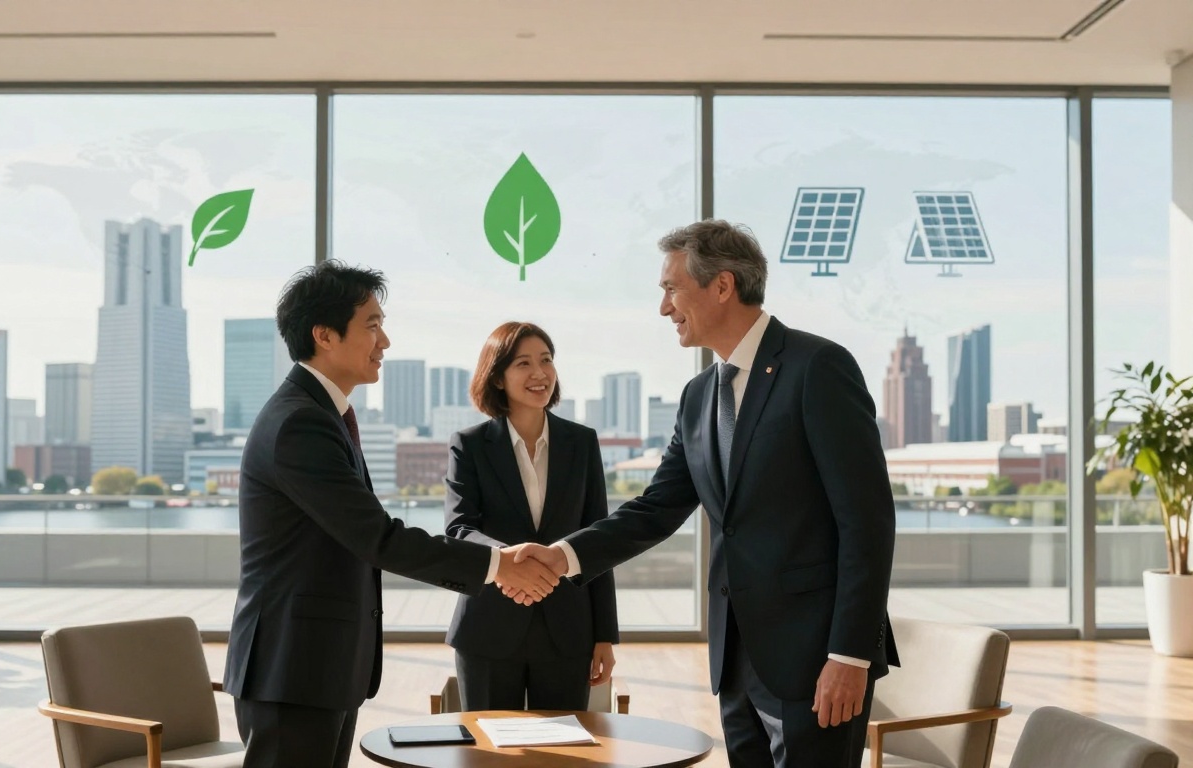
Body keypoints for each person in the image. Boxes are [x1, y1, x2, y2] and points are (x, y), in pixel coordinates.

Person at [514, 220, 898, 768]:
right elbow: (656, 509)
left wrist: (851, 655)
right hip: (736, 662)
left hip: (816, 659)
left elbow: (867, 523)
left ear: (722, 286)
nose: (665, 308)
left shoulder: (818, 368)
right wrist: (562, 556)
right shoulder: (699, 395)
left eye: (672, 289)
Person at [222, 261, 561, 768]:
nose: (385, 341)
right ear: (325, 336)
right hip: (292, 668)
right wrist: (498, 565)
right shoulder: (300, 424)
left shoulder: (322, 416)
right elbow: (377, 537)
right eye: (373, 325)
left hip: (319, 666)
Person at [444, 322, 619, 711]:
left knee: (565, 751)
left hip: (569, 630)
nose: (540, 373)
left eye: (546, 360)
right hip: (488, 627)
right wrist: (511, 560)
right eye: (523, 363)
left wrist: (604, 634)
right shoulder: (470, 445)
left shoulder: (582, 443)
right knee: (488, 753)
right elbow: (459, 529)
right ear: (498, 377)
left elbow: (599, 540)